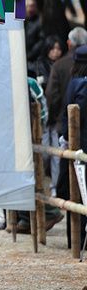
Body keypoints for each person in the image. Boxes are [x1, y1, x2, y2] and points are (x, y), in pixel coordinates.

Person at [46, 27, 87, 194]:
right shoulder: (81, 82)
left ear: (69, 44)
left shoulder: (60, 65)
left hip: (64, 126)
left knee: (63, 166)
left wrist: (55, 118)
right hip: (79, 134)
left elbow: (52, 96)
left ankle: (58, 190)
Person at [57, 44, 87, 250]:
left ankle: (74, 239)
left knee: (75, 191)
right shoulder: (82, 85)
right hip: (82, 144)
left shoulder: (73, 82)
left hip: (75, 142)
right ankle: (79, 241)